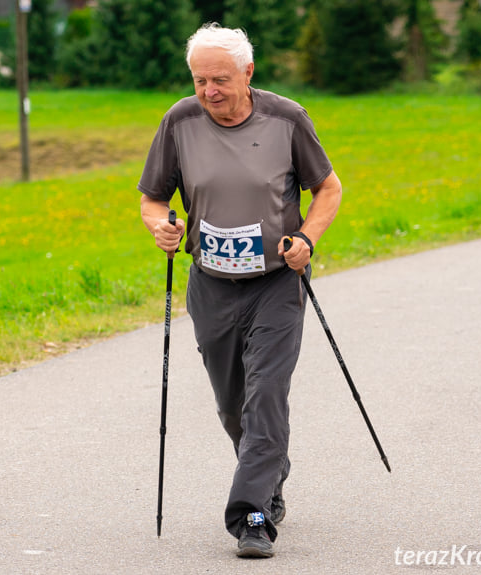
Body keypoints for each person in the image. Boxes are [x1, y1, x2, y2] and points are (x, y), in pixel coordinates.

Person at [138, 23, 342, 559]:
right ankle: (269, 467)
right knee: (233, 406)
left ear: (248, 72)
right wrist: (160, 225)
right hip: (211, 285)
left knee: (266, 394)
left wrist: (306, 238)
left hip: (276, 282)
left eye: (220, 80)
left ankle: (251, 515)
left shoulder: (287, 119)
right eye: (200, 80)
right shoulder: (179, 120)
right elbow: (153, 198)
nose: (209, 92)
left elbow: (328, 188)